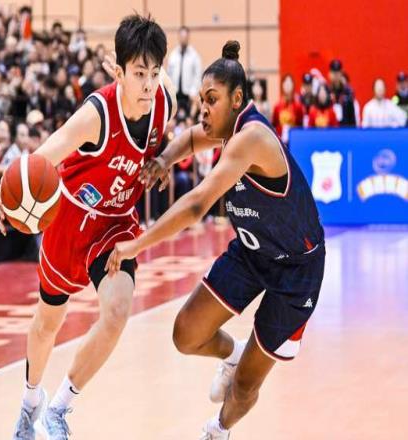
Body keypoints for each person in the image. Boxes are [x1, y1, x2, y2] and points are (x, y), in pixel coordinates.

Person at [106, 40, 325, 440]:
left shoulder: (251, 137)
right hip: (253, 253)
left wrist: (137, 243)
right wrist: (164, 160)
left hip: (296, 270)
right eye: (201, 101)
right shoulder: (225, 129)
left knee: (245, 385)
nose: (203, 110)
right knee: (186, 333)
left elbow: (196, 206)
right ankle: (234, 353)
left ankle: (218, 430)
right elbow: (192, 139)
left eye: (212, 100)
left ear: (237, 99)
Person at [0, 14, 176, 439]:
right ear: (119, 72)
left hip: (116, 224)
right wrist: (5, 189)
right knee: (47, 324)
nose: (148, 84)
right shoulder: (97, 114)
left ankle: (58, 410)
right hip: (70, 222)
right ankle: (30, 402)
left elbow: (158, 125)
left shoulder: (161, 104)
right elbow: (45, 154)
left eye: (154, 74)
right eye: (139, 74)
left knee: (117, 312)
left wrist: (162, 161)